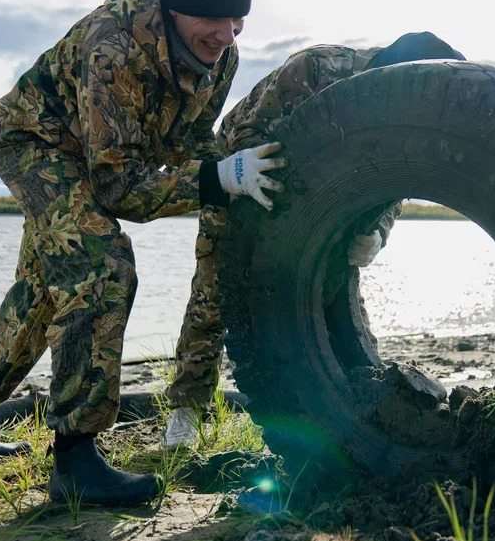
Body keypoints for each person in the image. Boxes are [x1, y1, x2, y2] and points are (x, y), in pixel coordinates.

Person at [0, 0, 285, 506]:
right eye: (215, 18)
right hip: (39, 143)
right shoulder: (114, 47)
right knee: (101, 267)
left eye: (238, 20)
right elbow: (117, 187)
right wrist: (217, 181)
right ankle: (75, 459)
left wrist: (223, 174)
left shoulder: (218, 56)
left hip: (103, 155)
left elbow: (193, 134)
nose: (227, 36)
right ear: (176, 6)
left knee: (44, 294)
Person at [160, 32, 466, 448]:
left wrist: (376, 233)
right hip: (247, 170)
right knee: (213, 292)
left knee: (338, 290)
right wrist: (279, 214)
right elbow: (250, 135)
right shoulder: (319, 70)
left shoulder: (414, 110)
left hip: (332, 194)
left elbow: (398, 179)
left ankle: (359, 387)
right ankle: (187, 410)